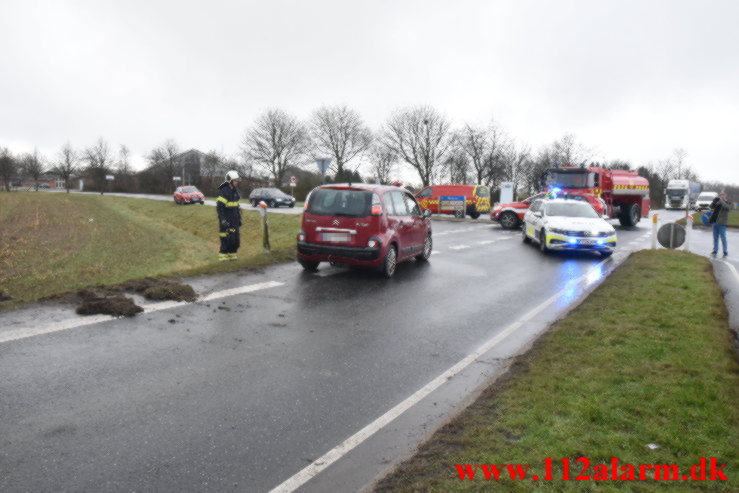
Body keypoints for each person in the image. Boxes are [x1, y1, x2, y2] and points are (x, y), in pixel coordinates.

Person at [216, 170, 242, 261]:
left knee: (235, 240)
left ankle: (232, 255)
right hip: (226, 221)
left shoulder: (235, 192)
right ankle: (223, 257)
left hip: (234, 220)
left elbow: (237, 207)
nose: (237, 182)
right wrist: (223, 220)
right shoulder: (224, 191)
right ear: (230, 180)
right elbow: (220, 208)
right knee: (226, 240)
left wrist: (239, 218)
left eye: (237, 180)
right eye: (235, 180)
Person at [709, 192, 732, 257]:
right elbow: (711, 206)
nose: (721, 196)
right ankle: (715, 251)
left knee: (723, 238)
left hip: (722, 223)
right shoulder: (718, 202)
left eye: (723, 195)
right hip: (714, 222)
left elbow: (727, 207)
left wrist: (721, 200)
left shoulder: (728, 203)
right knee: (715, 238)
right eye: (721, 195)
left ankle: (725, 251)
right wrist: (714, 201)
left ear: (725, 196)